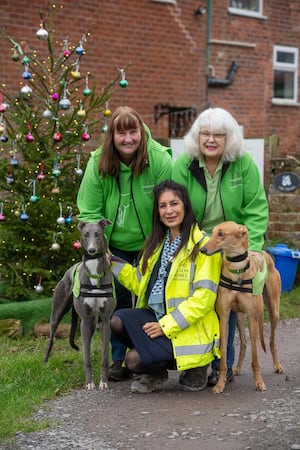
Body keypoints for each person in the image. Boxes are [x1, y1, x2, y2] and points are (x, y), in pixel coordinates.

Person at [172, 107, 269, 385]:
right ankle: (197, 363)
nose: (211, 140)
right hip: (197, 242)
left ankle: (221, 364)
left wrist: (254, 248)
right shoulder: (184, 164)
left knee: (224, 305)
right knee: (199, 302)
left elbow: (256, 207)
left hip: (232, 246)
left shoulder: (243, 163)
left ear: (229, 138)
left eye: (218, 135)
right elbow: (175, 205)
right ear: (197, 136)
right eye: (205, 133)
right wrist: (184, 242)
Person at [77, 105, 173, 382]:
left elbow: (171, 203)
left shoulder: (159, 159)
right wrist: (103, 249)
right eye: (122, 133)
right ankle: (119, 358)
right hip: (114, 245)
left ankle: (152, 355)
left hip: (152, 242)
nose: (128, 139)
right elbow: (89, 211)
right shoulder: (98, 162)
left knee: (153, 299)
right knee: (115, 298)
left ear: (141, 132)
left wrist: (164, 244)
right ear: (112, 137)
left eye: (133, 132)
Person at [109, 179, 222, 394]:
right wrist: (113, 264)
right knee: (118, 320)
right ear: (158, 212)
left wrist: (165, 326)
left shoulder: (203, 246)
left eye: (174, 204)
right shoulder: (158, 245)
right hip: (160, 320)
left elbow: (203, 300)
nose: (169, 211)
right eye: (163, 206)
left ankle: (196, 367)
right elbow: (141, 284)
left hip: (188, 331)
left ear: (186, 206)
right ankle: (158, 370)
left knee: (133, 360)